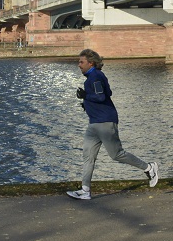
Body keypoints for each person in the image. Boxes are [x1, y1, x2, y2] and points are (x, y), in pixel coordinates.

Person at [67, 48, 159, 200]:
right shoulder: (92, 77)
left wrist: (86, 95)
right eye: (79, 62)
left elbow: (101, 96)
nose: (79, 65)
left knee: (116, 154)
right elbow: (106, 94)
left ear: (91, 63)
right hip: (94, 123)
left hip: (105, 122)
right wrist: (87, 103)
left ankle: (149, 168)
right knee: (88, 156)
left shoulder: (95, 76)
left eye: (81, 62)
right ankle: (85, 190)